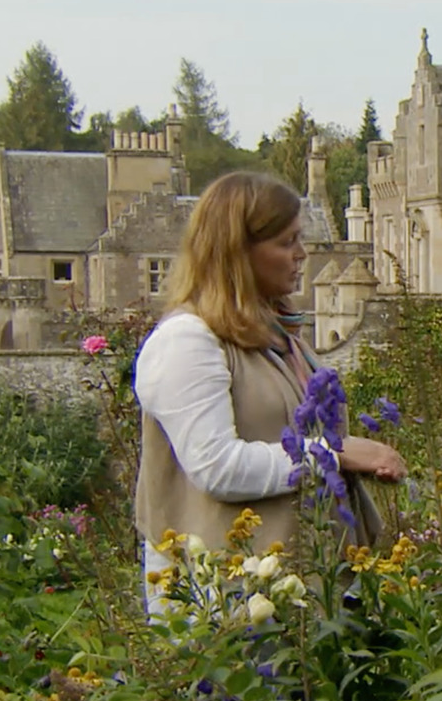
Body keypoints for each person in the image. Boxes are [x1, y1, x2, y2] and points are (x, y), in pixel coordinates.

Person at [133, 171, 405, 595]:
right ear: (238, 252)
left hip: (298, 591)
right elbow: (217, 468)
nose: (302, 254)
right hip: (224, 605)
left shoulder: (274, 335)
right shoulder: (187, 340)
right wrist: (335, 454)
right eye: (286, 242)